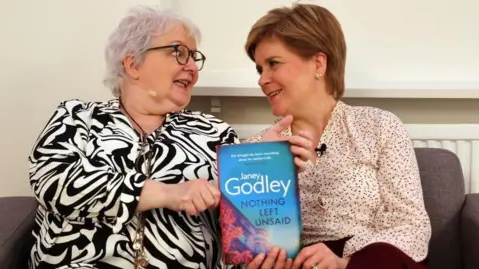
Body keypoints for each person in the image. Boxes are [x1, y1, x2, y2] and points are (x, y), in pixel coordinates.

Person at [27, 6, 313, 269]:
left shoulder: (213, 132)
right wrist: (167, 193)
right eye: (179, 52)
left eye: (194, 57)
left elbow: (240, 229)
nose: (191, 67)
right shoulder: (78, 116)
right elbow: (52, 181)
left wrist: (261, 165)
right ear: (133, 64)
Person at [242, 3, 432, 269]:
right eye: (260, 69)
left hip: (373, 261)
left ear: (318, 63)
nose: (262, 80)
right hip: (301, 265)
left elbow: (413, 227)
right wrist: (267, 167)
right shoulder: (256, 147)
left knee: (383, 257)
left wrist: (345, 261)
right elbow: (251, 244)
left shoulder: (379, 126)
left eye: (273, 63)